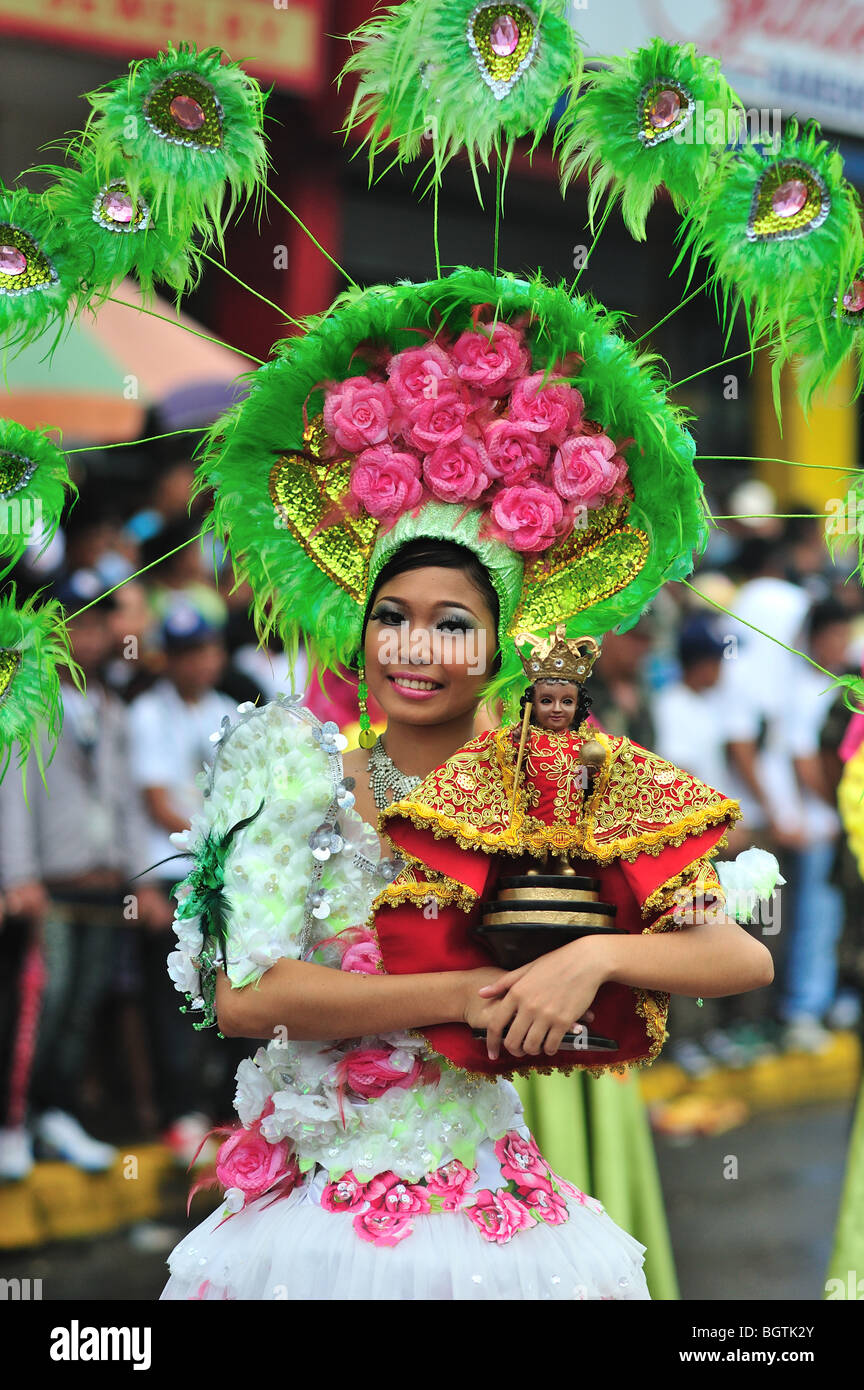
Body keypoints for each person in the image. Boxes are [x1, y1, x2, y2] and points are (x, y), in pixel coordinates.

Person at [0, 569, 166, 1177]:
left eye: (100, 622)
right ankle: (12, 1121)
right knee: (41, 1001)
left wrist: (142, 880)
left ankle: (56, 1113)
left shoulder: (111, 706)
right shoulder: (28, 700)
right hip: (49, 883)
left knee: (83, 1005)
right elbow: (12, 789)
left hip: (105, 885)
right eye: (78, 622)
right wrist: (17, 875)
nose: (90, 635)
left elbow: (123, 800)